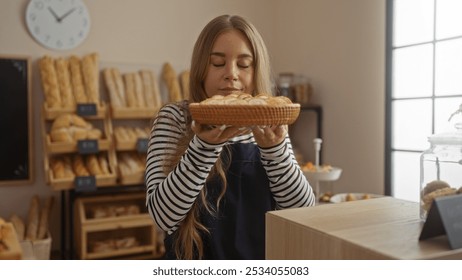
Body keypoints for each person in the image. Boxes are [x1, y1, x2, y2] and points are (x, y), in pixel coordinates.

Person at [145, 14, 315, 260]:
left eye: (244, 64)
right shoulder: (176, 119)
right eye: (217, 63)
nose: (231, 74)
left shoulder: (269, 122)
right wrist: (203, 146)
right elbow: (162, 217)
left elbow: (302, 213)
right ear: (201, 68)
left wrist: (275, 150)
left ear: (256, 71)